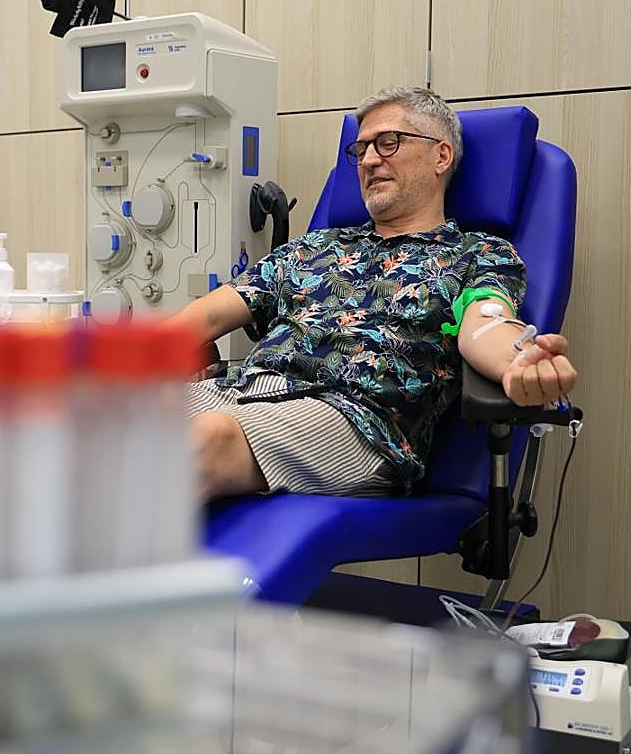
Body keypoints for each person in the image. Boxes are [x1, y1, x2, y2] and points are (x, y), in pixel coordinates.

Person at [169, 86, 577, 501]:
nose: (368, 160)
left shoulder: (477, 255)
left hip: (356, 420)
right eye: (361, 149)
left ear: (441, 156)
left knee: (198, 442)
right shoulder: (312, 248)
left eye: (388, 143)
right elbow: (206, 317)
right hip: (237, 392)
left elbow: (486, 325)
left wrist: (519, 361)